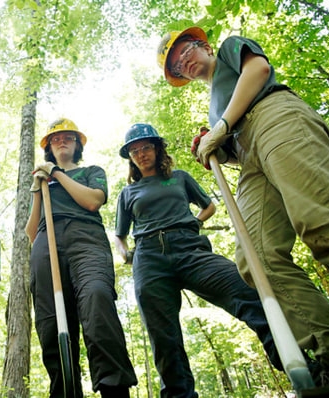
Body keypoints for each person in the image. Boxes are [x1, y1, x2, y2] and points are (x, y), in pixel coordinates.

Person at [157, 27, 329, 395]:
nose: (185, 64)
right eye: (178, 66)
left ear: (205, 46)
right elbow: (229, 151)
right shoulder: (215, 103)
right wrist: (215, 145)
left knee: (323, 224)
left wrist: (222, 126)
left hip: (277, 118)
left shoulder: (230, 49)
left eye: (186, 52)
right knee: (254, 259)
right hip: (249, 157)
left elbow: (257, 71)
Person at [113, 123, 283, 397]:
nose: (141, 154)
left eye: (146, 147)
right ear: (130, 158)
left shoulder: (179, 178)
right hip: (149, 257)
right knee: (164, 337)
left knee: (246, 289)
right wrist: (126, 255)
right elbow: (119, 235)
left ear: (157, 149)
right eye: (134, 151)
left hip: (190, 249)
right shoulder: (128, 193)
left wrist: (192, 223)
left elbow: (209, 206)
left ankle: (295, 362)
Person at [25, 118, 137, 398]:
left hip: (85, 239)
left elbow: (92, 201)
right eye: (55, 139)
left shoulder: (91, 171)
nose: (61, 141)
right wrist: (39, 188)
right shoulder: (44, 183)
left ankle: (114, 387)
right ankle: (65, 391)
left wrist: (57, 174)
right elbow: (31, 231)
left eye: (68, 138)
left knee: (96, 298)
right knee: (51, 320)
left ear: (77, 144)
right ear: (49, 147)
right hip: (46, 243)